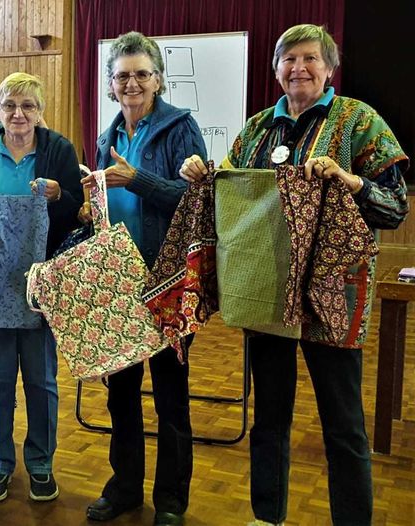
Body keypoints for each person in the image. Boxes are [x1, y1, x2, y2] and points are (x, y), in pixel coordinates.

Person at [180, 24, 409, 526]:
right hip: (265, 291)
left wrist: (351, 183)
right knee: (270, 418)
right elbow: (231, 197)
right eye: (288, 59)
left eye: (310, 58)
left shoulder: (359, 123)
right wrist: (202, 175)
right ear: (275, 68)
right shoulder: (258, 128)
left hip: (333, 295)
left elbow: (394, 207)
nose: (298, 68)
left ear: (329, 69)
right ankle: (267, 517)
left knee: (344, 425)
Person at [80, 32, 207, 525]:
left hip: (168, 283)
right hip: (118, 282)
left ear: (158, 79)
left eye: (141, 74)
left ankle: (172, 501)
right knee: (121, 394)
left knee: (171, 396)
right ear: (111, 85)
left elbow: (195, 200)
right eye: (122, 75)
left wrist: (138, 179)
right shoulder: (107, 135)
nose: (131, 83)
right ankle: (125, 488)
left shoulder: (181, 126)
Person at [0, 72, 83, 503]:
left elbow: (77, 209)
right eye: (10, 105)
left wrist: (58, 196)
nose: (18, 114)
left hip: (42, 278)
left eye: (28, 106)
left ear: (40, 111)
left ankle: (41, 462)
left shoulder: (58, 150)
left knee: (40, 377)